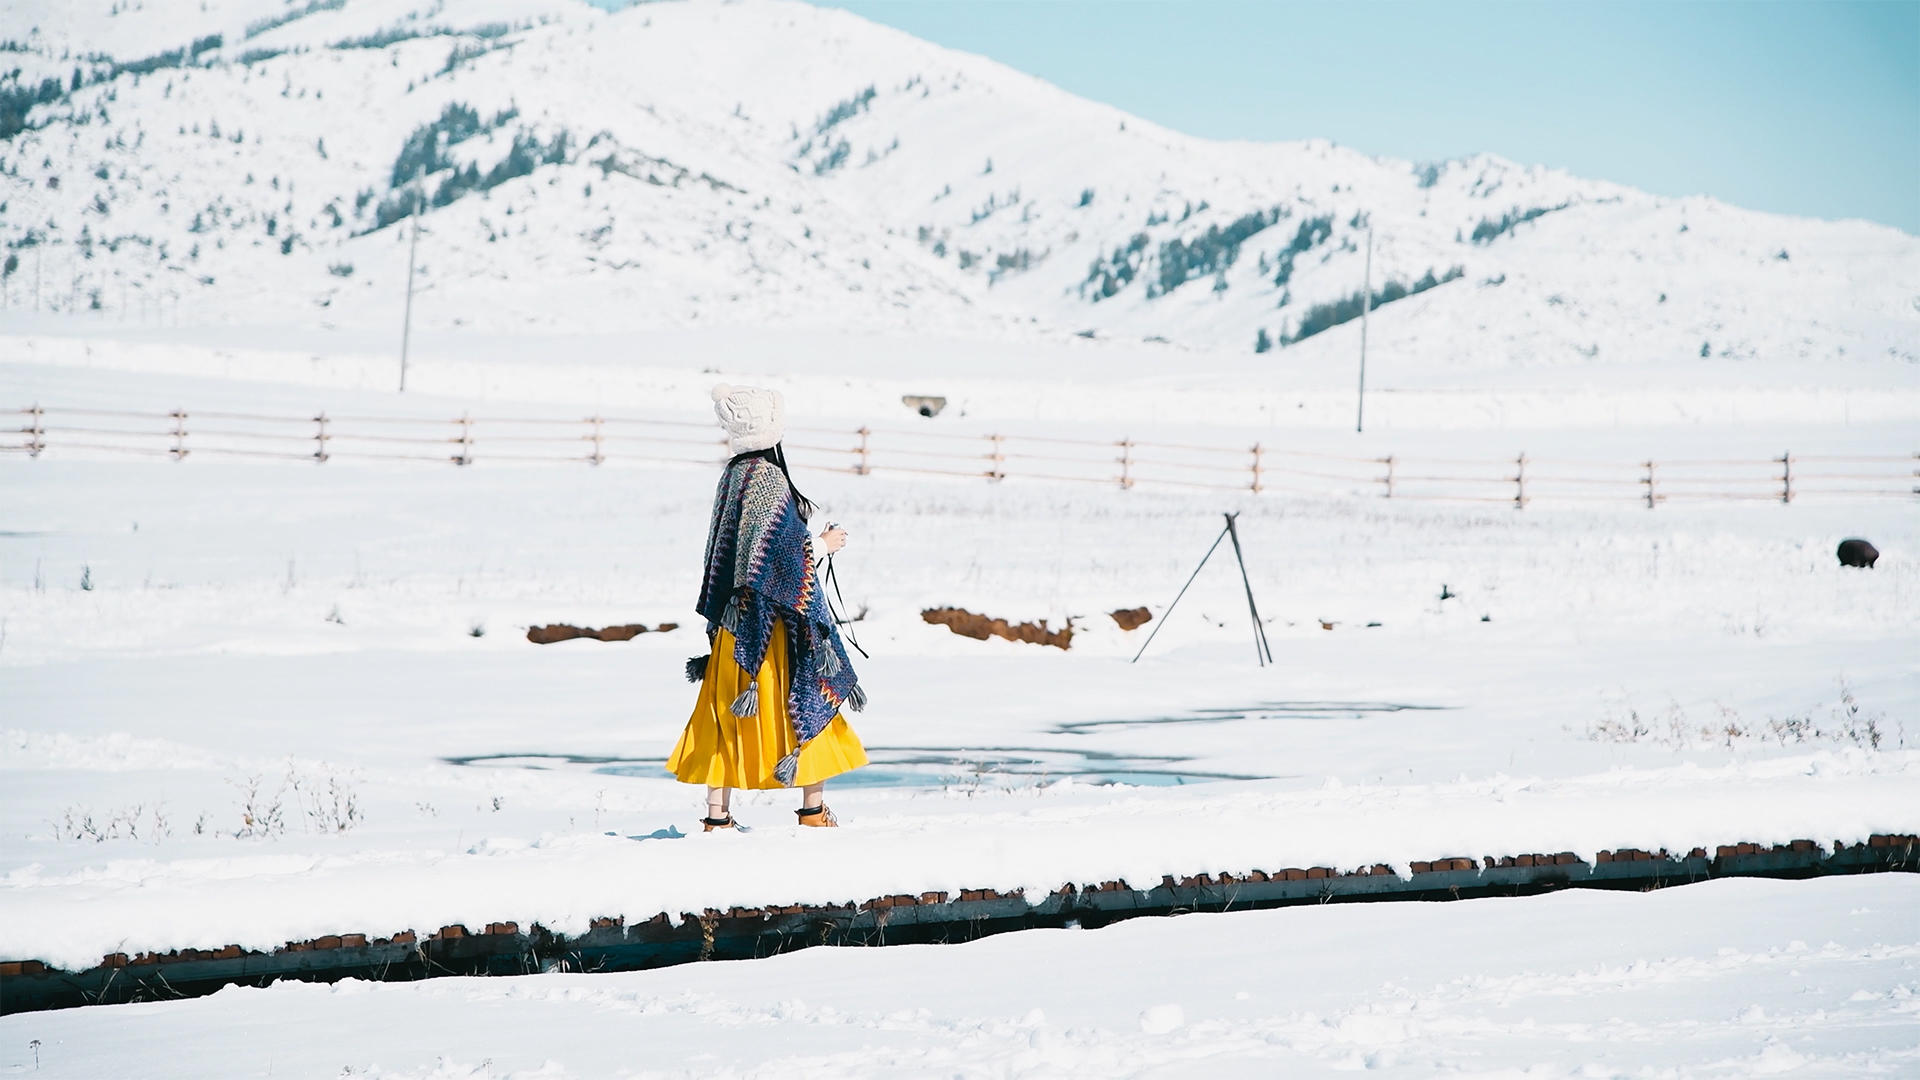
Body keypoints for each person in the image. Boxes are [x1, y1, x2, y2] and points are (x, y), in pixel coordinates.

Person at [666, 384, 868, 830]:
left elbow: (731, 556)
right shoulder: (770, 479)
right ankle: (813, 813)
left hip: (735, 627)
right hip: (773, 629)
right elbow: (777, 559)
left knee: (722, 715)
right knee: (807, 700)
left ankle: (716, 819)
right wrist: (824, 544)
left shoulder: (733, 476)